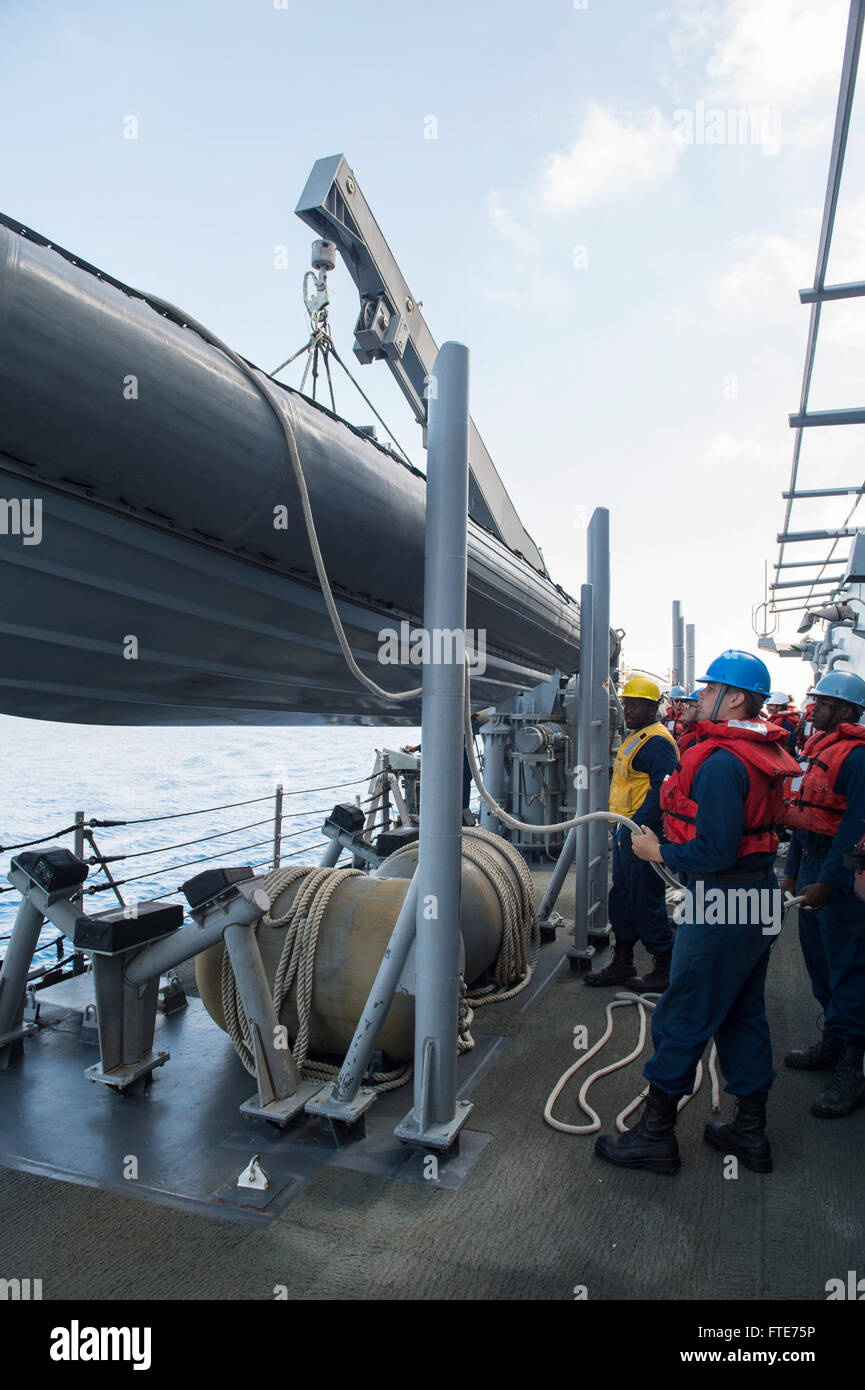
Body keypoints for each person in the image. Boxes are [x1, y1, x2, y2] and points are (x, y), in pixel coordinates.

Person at [594, 651, 800, 1175]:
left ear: (733, 698)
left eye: (708, 690)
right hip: (757, 897)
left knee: (683, 1011)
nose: (697, 697)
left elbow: (713, 851)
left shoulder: (724, 763)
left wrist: (655, 852)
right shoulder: (754, 755)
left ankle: (655, 1135)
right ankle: (749, 1132)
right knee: (742, 1013)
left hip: (723, 901)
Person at [781, 670, 865, 1118]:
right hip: (812, 863)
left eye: (826, 703)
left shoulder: (858, 759)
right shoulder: (818, 751)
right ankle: (833, 1041)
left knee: (848, 968)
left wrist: (828, 883)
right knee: (819, 964)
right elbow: (804, 814)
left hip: (842, 876)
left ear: (848, 710)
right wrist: (794, 870)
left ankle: (853, 1066)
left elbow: (853, 830)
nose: (815, 709)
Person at [586, 675, 679, 993]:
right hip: (628, 834)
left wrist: (637, 829)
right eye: (627, 703)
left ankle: (664, 966)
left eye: (637, 705)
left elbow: (662, 791)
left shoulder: (656, 742)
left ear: (653, 709)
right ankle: (622, 961)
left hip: (643, 836)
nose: (628, 709)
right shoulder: (637, 737)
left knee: (645, 899)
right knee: (623, 897)